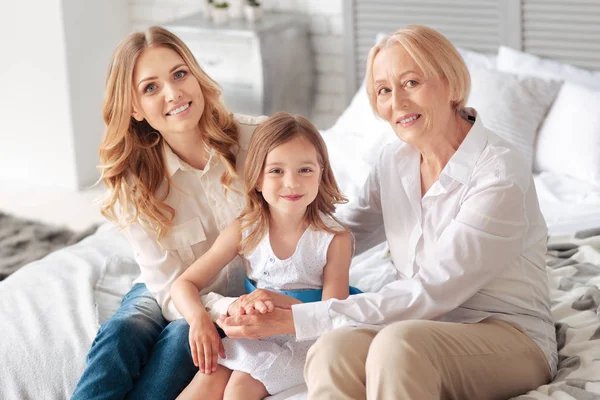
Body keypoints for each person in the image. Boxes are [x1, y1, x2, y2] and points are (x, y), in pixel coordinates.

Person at [217, 25, 557, 399]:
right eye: (383, 90)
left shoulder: (499, 174)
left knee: (397, 344)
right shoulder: (394, 160)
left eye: (411, 82)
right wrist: (269, 274)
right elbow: (338, 237)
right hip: (416, 326)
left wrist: (295, 318)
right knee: (331, 349)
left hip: (508, 336)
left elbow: (432, 289)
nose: (396, 102)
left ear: (451, 85)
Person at [70, 26, 267, 400]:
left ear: (196, 75)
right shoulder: (136, 182)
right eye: (150, 87)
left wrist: (214, 314)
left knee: (180, 338)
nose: (173, 93)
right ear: (134, 108)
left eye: (179, 74)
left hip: (242, 297)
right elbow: (166, 289)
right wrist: (203, 312)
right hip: (171, 290)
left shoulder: (256, 142)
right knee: (123, 330)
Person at [171, 112, 357, 399]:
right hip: (255, 334)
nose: (292, 183)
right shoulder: (245, 230)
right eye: (276, 171)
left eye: (305, 170)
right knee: (205, 382)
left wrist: (277, 303)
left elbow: (331, 317)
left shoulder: (334, 239)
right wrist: (199, 320)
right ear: (257, 178)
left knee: (239, 388)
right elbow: (183, 284)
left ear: (322, 174)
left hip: (303, 340)